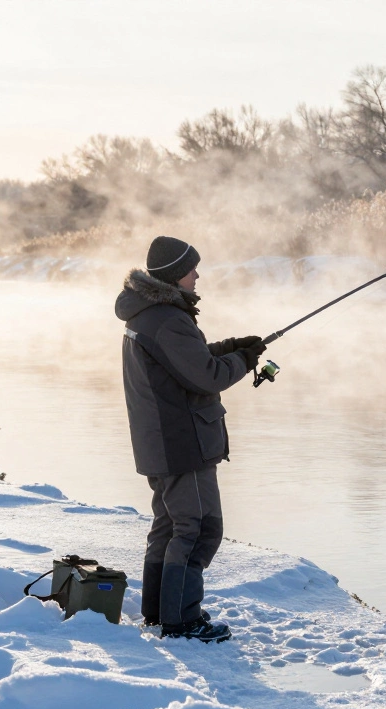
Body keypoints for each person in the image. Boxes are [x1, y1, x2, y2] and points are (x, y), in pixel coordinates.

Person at [114, 236, 265, 642]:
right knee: (197, 528)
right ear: (173, 275)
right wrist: (243, 361)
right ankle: (181, 620)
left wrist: (232, 347)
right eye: (191, 269)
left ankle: (160, 612)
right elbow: (207, 376)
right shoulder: (166, 318)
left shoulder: (150, 314)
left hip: (161, 441)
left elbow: (187, 361)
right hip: (181, 443)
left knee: (169, 526)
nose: (197, 275)